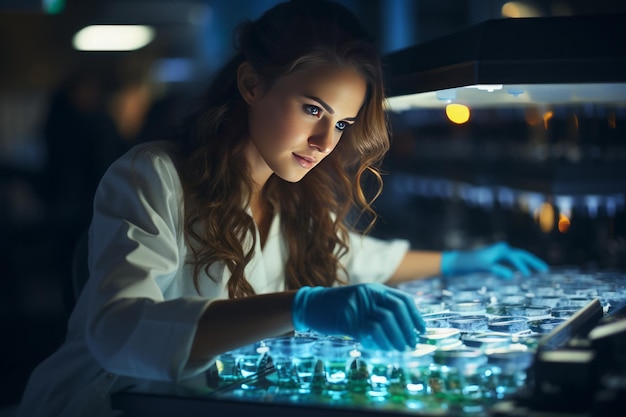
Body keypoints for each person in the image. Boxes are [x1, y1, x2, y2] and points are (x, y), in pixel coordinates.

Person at [15, 1, 548, 416]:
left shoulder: (292, 195)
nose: (324, 140)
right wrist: (299, 307)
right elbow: (118, 331)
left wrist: (460, 263)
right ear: (251, 84)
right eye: (312, 108)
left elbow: (362, 259)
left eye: (340, 123)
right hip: (104, 403)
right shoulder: (153, 175)